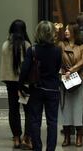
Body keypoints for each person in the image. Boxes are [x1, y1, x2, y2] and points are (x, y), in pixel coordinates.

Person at [19, 21, 62, 151]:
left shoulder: (32, 50)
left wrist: (20, 86)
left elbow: (25, 70)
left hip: (36, 89)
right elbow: (57, 68)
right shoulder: (57, 50)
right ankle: (50, 149)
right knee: (52, 122)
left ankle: (37, 147)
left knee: (35, 120)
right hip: (53, 89)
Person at [0, 20, 32, 148]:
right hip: (24, 84)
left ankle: (16, 137)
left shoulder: (5, 45)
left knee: (13, 110)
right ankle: (26, 138)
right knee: (28, 110)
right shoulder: (27, 45)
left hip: (10, 82)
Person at [58, 23, 83, 147]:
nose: (66, 31)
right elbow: (57, 57)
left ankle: (79, 136)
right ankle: (66, 137)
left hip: (77, 80)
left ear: (74, 32)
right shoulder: (61, 45)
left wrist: (72, 69)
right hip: (64, 80)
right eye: (65, 29)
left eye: (68, 30)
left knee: (78, 108)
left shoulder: (82, 46)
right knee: (65, 108)